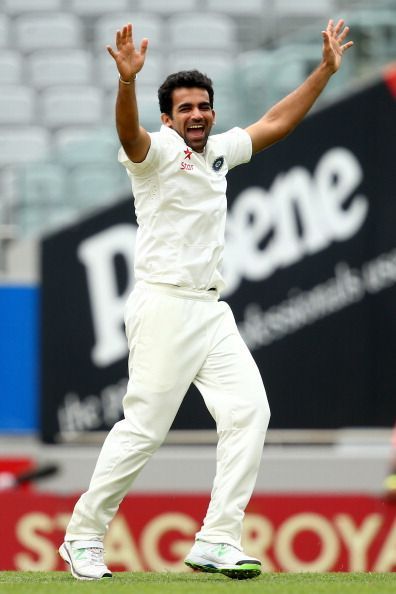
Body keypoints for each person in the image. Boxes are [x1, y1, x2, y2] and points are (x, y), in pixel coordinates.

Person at [59, 18, 353, 581]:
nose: (197, 115)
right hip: (164, 304)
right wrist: (127, 84)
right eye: (185, 108)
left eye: (204, 106)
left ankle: (218, 538)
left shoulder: (219, 153)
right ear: (168, 117)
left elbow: (276, 122)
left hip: (210, 310)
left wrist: (324, 71)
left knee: (250, 411)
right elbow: (130, 137)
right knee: (144, 429)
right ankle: (83, 537)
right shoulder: (158, 154)